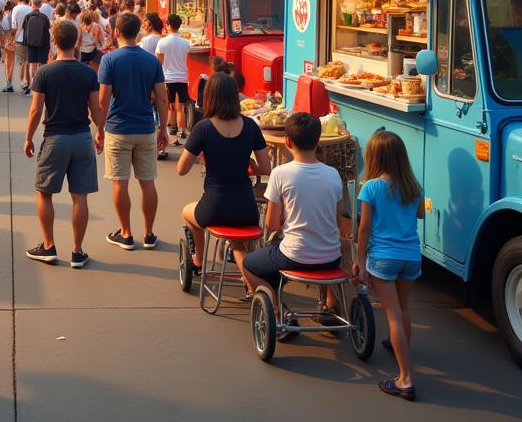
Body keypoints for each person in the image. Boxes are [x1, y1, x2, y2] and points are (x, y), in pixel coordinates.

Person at [243, 112, 346, 316]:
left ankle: (276, 309)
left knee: (249, 264)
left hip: (295, 255)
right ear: (318, 141)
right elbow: (337, 222)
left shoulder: (280, 173)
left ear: (287, 141)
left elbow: (271, 224)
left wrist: (284, 221)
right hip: (331, 256)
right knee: (318, 248)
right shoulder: (333, 175)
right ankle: (329, 302)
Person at [178, 72, 271, 287]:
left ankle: (199, 260)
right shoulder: (250, 126)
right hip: (246, 207)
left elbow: (181, 169)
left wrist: (202, 156)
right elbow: (265, 168)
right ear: (235, 96)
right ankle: (252, 283)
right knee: (238, 245)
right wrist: (252, 166)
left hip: (215, 207)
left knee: (187, 213)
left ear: (209, 97)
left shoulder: (203, 128)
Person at [24, 21, 103, 267]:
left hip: (55, 138)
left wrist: (28, 137)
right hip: (81, 137)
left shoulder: (44, 72)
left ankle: (48, 245)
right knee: (80, 196)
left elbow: (36, 110)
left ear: (54, 42)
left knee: (45, 193)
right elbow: (95, 108)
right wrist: (100, 130)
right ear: (77, 42)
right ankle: (77, 251)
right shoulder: (88, 73)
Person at [352, 130, 424, 401]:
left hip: (384, 258)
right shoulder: (414, 186)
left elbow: (364, 229)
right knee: (403, 309)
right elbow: (419, 214)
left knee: (392, 315)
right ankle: (399, 346)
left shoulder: (370, 188)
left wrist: (360, 260)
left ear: (374, 157)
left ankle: (405, 379)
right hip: (411, 256)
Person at [97, 11, 168, 250]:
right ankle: (149, 233)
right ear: (138, 33)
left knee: (120, 183)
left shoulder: (109, 60)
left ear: (116, 32)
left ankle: (126, 233)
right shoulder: (151, 61)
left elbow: (103, 100)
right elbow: (162, 98)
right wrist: (164, 129)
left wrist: (99, 127)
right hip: (146, 127)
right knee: (148, 182)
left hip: (118, 128)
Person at [156, 14, 191, 154]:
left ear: (168, 25)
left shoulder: (162, 42)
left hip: (168, 78)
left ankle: (171, 135)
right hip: (182, 77)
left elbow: (159, 63)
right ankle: (181, 132)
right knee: (181, 108)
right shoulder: (185, 42)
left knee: (169, 107)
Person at [22, 0, 52, 90]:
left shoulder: (27, 17)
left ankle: (33, 82)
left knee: (33, 63)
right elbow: (48, 31)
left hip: (30, 43)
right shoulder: (44, 17)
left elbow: (24, 29)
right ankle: (41, 83)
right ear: (40, 4)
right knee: (42, 64)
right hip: (43, 43)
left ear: (32, 3)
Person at [11, 0, 32, 93]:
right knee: (28, 62)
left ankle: (22, 82)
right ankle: (28, 82)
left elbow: (14, 26)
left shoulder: (16, 9)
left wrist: (12, 39)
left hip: (19, 38)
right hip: (30, 38)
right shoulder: (31, 8)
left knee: (21, 62)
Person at [1, 2, 16, 93]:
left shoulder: (6, 17)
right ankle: (9, 82)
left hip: (7, 40)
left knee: (8, 62)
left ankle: (9, 83)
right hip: (13, 40)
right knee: (11, 62)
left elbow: (4, 30)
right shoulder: (13, 16)